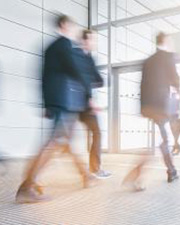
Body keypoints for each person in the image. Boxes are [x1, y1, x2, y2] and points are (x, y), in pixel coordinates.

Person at [15, 15, 93, 203]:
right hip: (62, 100)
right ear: (64, 25)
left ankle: (84, 175)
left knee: (62, 141)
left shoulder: (49, 48)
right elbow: (74, 69)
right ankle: (27, 186)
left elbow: (42, 76)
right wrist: (88, 93)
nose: (74, 31)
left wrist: (46, 103)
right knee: (54, 142)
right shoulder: (64, 45)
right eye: (72, 27)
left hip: (55, 100)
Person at [122, 32, 180, 190]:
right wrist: (177, 94)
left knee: (163, 140)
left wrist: (143, 108)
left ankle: (171, 170)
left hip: (148, 106)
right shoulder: (168, 57)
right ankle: (135, 175)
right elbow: (175, 80)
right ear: (166, 41)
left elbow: (142, 85)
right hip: (161, 106)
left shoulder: (148, 61)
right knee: (160, 142)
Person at [75, 29, 111, 179]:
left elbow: (99, 80)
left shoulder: (89, 58)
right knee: (60, 139)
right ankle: (93, 169)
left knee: (96, 133)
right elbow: (79, 79)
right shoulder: (75, 55)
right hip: (78, 103)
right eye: (92, 39)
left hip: (85, 104)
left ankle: (94, 168)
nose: (94, 43)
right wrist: (89, 98)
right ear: (84, 41)